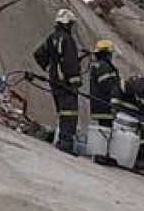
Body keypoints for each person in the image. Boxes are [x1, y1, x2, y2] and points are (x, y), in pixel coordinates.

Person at [34, 9, 83, 154]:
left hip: (54, 80)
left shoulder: (51, 38)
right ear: (67, 23)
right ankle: (65, 143)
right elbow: (70, 63)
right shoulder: (67, 40)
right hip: (66, 82)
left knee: (62, 112)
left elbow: (38, 54)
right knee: (70, 113)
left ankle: (61, 140)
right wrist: (75, 82)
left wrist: (49, 67)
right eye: (71, 24)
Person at [112, 75, 144, 168]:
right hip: (124, 107)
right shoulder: (138, 84)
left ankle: (142, 158)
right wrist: (115, 105)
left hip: (138, 112)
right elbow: (119, 88)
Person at [88, 39, 122, 164]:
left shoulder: (100, 65)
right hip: (104, 103)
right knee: (105, 129)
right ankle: (101, 154)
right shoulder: (103, 67)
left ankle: (103, 154)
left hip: (100, 103)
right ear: (106, 53)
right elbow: (108, 86)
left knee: (105, 129)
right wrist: (116, 97)